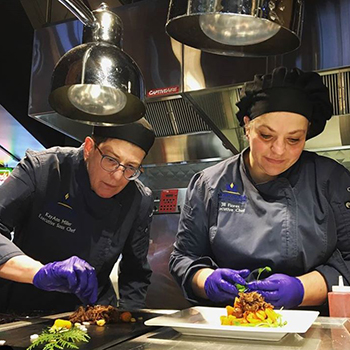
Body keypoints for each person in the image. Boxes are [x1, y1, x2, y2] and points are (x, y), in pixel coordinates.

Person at [169, 66, 350, 312]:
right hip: (231, 323)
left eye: (294, 139)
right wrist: (206, 280)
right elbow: (183, 257)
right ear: (247, 126)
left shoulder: (332, 180)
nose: (279, 150)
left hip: (312, 326)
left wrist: (300, 289)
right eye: (266, 135)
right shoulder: (209, 183)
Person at [0, 118, 155, 313]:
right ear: (89, 147)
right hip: (21, 308)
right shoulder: (43, 169)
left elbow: (135, 274)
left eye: (131, 167)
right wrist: (39, 273)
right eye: (111, 160)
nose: (117, 176)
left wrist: (128, 323)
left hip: (88, 314)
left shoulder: (138, 200)